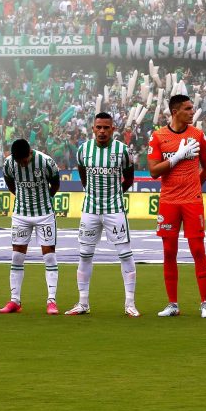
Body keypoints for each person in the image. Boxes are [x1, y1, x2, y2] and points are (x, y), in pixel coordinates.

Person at [146, 95, 206, 318]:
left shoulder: (198, 135)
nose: (192, 112)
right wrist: (177, 157)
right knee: (168, 252)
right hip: (168, 202)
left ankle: (205, 303)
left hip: (192, 201)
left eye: (192, 108)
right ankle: (172, 304)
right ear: (175, 112)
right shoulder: (158, 136)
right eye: (187, 109)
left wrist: (194, 186)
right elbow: (154, 171)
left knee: (198, 250)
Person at [67, 112, 138, 317]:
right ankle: (82, 303)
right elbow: (83, 175)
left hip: (114, 209)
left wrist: (113, 195)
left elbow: (129, 178)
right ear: (93, 129)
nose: (102, 131)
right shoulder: (84, 150)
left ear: (113, 129)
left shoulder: (123, 151)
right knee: (85, 255)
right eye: (98, 127)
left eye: (106, 127)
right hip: (90, 210)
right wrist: (93, 193)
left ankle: (130, 304)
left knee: (125, 254)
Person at [0, 138, 61, 314]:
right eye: (19, 161)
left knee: (49, 257)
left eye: (24, 160)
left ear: (30, 153)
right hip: (21, 215)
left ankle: (51, 301)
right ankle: (15, 301)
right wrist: (21, 197)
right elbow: (9, 181)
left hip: (44, 214)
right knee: (17, 256)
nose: (22, 164)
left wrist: (45, 200)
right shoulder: (9, 164)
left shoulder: (46, 162)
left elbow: (55, 183)